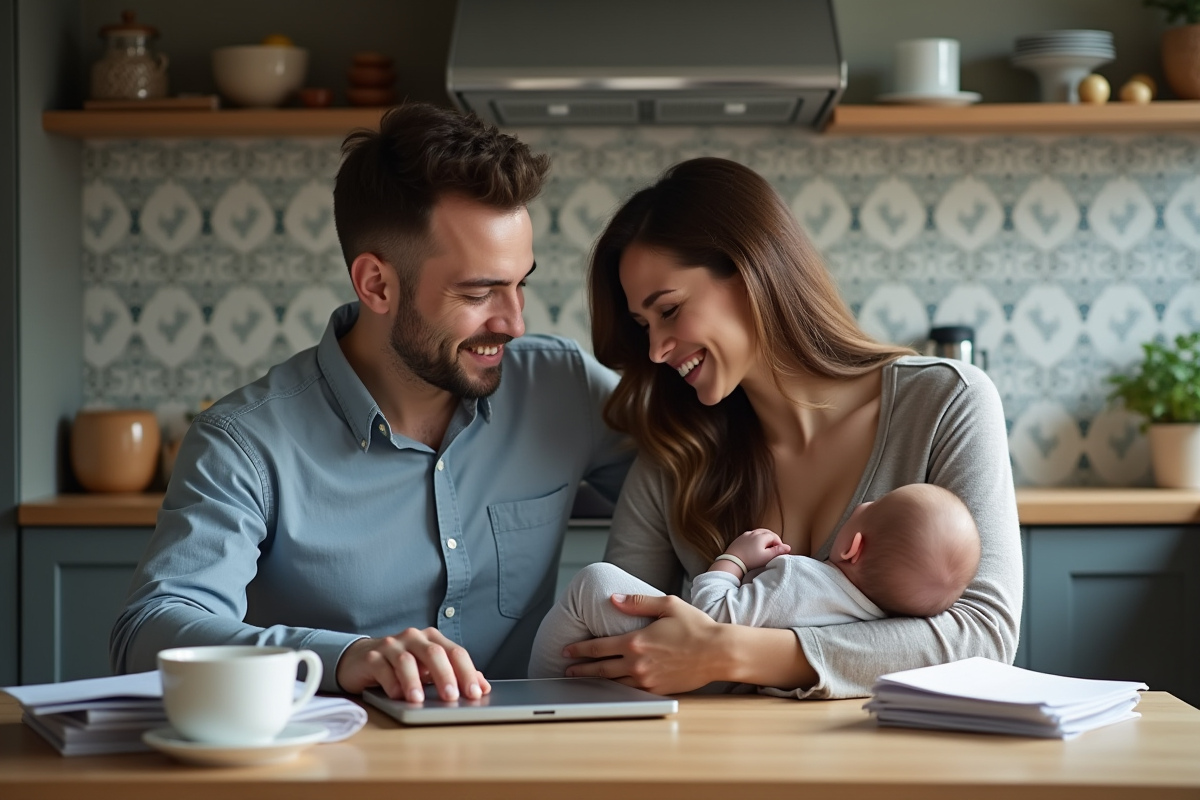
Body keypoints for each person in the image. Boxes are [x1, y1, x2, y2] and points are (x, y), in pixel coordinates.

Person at [109, 103, 635, 705]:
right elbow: (148, 630)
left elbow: (696, 473)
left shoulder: (559, 385)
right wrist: (343, 656)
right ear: (376, 284)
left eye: (521, 283)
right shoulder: (245, 443)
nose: (514, 322)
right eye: (478, 292)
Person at [553, 157, 1022, 699]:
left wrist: (730, 653)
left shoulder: (944, 404)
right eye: (644, 326)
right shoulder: (674, 449)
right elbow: (614, 635)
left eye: (671, 310)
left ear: (750, 270)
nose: (656, 350)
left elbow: (985, 638)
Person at [529, 483, 981, 678]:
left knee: (594, 581)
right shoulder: (879, 617)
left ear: (852, 548)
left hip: (700, 671)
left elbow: (711, 621)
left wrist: (732, 561)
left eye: (875, 503)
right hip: (733, 682)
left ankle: (542, 692)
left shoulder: (800, 577)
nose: (866, 501)